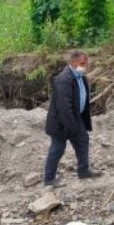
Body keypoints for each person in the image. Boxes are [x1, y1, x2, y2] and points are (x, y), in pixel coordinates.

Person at [44, 50, 103, 187]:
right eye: (82, 63)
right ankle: (49, 179)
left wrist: (79, 123)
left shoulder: (80, 76)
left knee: (83, 141)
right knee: (58, 148)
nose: (85, 66)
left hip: (76, 118)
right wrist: (72, 128)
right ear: (73, 62)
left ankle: (83, 170)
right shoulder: (63, 79)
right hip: (61, 122)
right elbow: (64, 107)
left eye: (86, 64)